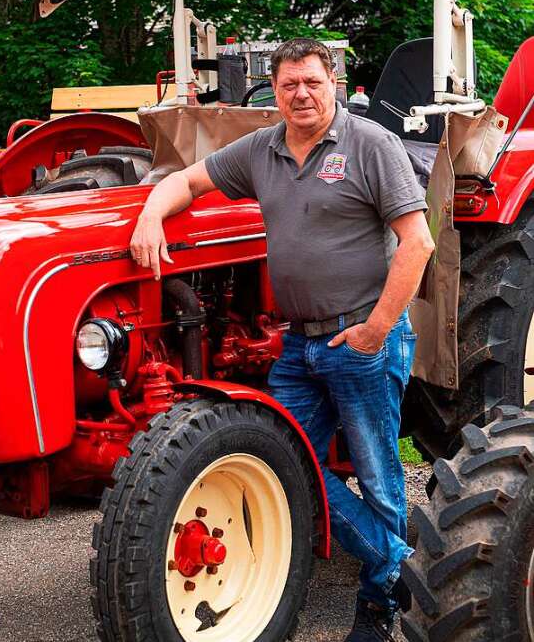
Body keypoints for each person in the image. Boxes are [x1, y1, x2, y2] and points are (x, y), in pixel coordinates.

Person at [130, 37, 435, 642]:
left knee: (378, 479)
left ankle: (379, 607)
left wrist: (376, 329)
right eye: (289, 84)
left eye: (312, 82)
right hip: (297, 345)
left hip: (361, 338)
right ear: (274, 90)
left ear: (335, 84)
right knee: (283, 463)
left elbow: (418, 242)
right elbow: (185, 181)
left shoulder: (370, 145)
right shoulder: (262, 150)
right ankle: (398, 563)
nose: (300, 94)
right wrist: (148, 214)